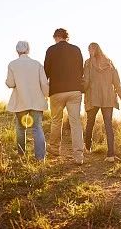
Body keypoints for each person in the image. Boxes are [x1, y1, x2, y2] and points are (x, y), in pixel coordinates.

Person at [44, 28, 84, 165]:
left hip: (57, 91)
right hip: (75, 90)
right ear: (67, 37)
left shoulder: (51, 50)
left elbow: (46, 72)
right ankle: (78, 155)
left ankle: (54, 148)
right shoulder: (76, 49)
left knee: (56, 120)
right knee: (75, 122)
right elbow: (81, 69)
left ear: (56, 37)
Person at [6, 41, 49, 161]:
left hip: (20, 102)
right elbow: (44, 84)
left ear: (17, 51)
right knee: (37, 128)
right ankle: (40, 158)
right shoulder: (37, 64)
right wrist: (46, 96)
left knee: (20, 128)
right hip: (36, 101)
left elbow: (10, 83)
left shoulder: (12, 65)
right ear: (28, 50)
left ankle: (21, 155)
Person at [83, 42, 121, 162]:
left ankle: (87, 148)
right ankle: (110, 154)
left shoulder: (88, 63)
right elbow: (117, 82)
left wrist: (80, 90)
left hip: (93, 97)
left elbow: (86, 81)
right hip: (108, 98)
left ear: (91, 50)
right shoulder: (109, 62)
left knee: (90, 122)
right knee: (108, 125)